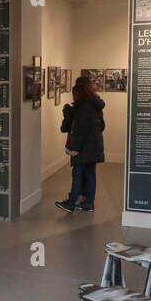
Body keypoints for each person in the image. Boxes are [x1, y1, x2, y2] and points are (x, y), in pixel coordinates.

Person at [55, 76, 105, 213]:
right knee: (90, 175)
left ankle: (71, 204)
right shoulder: (95, 106)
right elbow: (101, 126)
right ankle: (88, 203)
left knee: (77, 174)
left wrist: (75, 148)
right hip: (93, 148)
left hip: (83, 148)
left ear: (79, 92)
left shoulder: (83, 107)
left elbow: (80, 130)